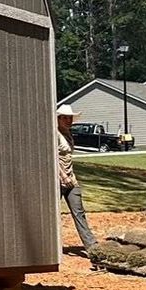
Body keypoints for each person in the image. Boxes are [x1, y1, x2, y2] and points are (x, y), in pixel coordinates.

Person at [55, 103, 98, 252]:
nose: (69, 121)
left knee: (79, 212)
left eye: (70, 118)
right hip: (58, 181)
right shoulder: (55, 135)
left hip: (71, 180)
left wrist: (69, 177)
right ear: (58, 119)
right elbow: (52, 157)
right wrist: (62, 176)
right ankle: (50, 247)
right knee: (53, 214)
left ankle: (92, 247)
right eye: (65, 118)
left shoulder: (68, 134)